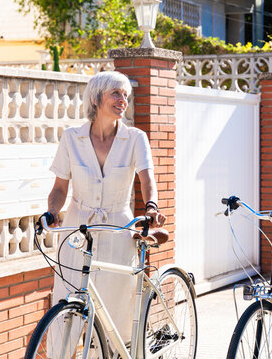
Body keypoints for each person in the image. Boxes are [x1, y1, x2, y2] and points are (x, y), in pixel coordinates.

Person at [45, 71, 166, 351]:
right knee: (67, 302)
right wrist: (51, 211)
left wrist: (151, 207)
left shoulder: (136, 138)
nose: (123, 100)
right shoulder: (72, 138)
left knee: (115, 311)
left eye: (126, 95)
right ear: (97, 98)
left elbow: (147, 179)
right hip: (77, 229)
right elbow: (60, 187)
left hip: (118, 229)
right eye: (116, 93)